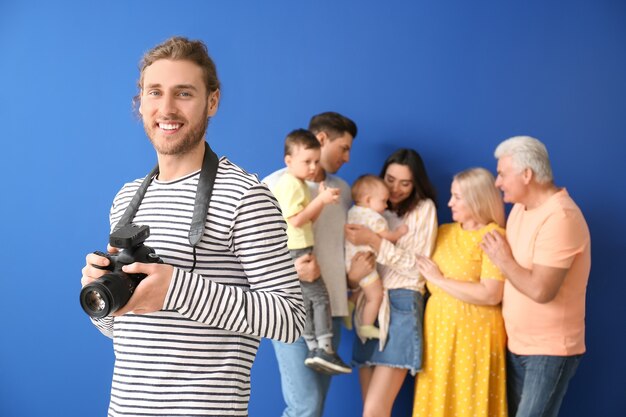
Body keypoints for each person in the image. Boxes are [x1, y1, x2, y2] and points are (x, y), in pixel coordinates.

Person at [79, 36, 306, 417]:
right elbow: (125, 331)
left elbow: (290, 319)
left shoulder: (245, 195)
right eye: (155, 92)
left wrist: (177, 289)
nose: (166, 108)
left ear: (211, 102)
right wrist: (102, 299)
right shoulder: (127, 198)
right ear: (141, 101)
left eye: (183, 93)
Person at [263, 112, 375, 417]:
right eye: (344, 147)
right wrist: (292, 271)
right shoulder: (272, 185)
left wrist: (352, 279)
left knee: (316, 408)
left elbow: (342, 249)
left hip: (334, 310)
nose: (348, 158)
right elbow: (252, 251)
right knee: (305, 407)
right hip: (289, 309)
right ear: (322, 139)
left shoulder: (344, 190)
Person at [481, 136, 591, 417]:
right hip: (517, 344)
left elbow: (542, 290)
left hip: (550, 351)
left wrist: (502, 259)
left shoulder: (561, 217)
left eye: (502, 174)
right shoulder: (519, 209)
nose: (497, 182)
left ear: (527, 174)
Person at [345, 148, 438, 417]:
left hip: (401, 304)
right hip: (368, 305)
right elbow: (353, 259)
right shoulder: (368, 209)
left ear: (416, 183)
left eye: (405, 183)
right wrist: (352, 278)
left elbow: (417, 267)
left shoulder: (423, 210)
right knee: (369, 407)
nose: (396, 189)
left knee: (375, 409)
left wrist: (374, 240)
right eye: (390, 179)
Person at [412, 167, 508, 417]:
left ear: (477, 199)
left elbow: (491, 294)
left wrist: (439, 280)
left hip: (475, 336)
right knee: (437, 399)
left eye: (457, 197)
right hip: (438, 335)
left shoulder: (493, 236)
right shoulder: (443, 231)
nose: (449, 202)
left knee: (470, 401)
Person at [270, 128, 351, 374]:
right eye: (307, 162)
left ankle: (317, 345)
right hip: (297, 254)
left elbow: (307, 221)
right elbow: (295, 220)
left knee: (310, 299)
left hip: (303, 247)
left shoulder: (303, 184)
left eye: (315, 161)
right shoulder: (287, 184)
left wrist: (320, 202)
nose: (313, 167)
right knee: (317, 298)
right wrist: (321, 201)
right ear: (289, 161)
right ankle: (321, 346)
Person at [345, 174, 408, 340]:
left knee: (363, 288)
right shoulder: (374, 217)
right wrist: (399, 233)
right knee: (375, 295)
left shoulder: (352, 212)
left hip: (350, 261)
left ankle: (350, 304)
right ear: (368, 200)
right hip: (365, 263)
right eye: (383, 201)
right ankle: (366, 326)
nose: (386, 206)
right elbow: (386, 237)